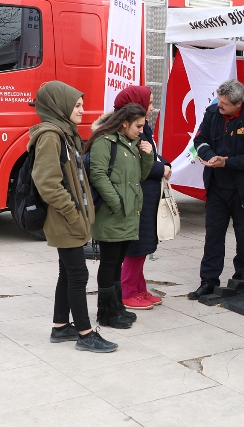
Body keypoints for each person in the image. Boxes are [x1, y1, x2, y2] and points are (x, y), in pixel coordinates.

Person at [29, 81, 117, 352]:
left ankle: (60, 326)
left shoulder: (64, 133)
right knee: (78, 275)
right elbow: (46, 182)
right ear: (60, 106)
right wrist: (72, 212)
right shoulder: (51, 136)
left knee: (67, 274)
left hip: (70, 218)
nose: (81, 110)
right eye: (76, 105)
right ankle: (85, 333)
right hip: (64, 219)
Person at [188, 79, 244, 300]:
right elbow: (199, 140)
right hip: (216, 188)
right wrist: (210, 156)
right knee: (213, 237)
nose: (219, 105)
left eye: (224, 103)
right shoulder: (212, 113)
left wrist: (227, 162)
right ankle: (208, 282)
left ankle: (243, 282)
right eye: (219, 101)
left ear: (238, 103)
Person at [86, 103, 154, 328]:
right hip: (112, 214)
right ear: (124, 123)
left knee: (117, 265)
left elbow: (141, 177)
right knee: (109, 264)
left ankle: (116, 307)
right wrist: (117, 204)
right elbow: (97, 175)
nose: (141, 131)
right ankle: (106, 314)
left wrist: (147, 156)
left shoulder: (132, 143)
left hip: (127, 214)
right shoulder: (104, 141)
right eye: (138, 126)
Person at [104, 87, 172, 310]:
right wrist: (160, 169)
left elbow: (151, 153)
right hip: (137, 194)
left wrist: (164, 163)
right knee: (136, 247)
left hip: (147, 195)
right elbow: (136, 162)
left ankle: (139, 288)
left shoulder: (143, 127)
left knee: (143, 245)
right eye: (149, 102)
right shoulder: (127, 130)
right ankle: (128, 291)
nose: (152, 107)